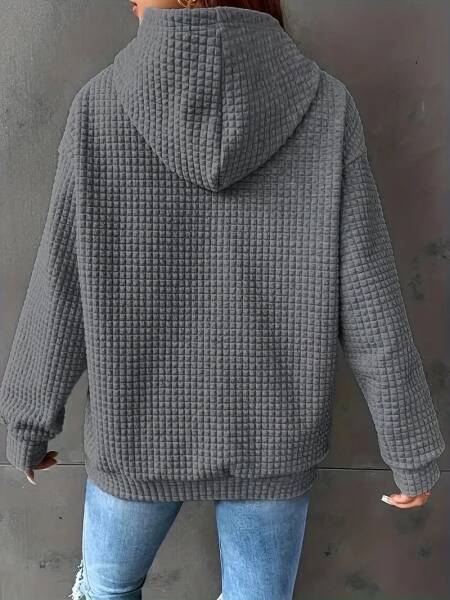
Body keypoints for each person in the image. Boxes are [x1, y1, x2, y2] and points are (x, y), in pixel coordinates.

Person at [0, 1, 445, 599]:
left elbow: (60, 286)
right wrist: (410, 446)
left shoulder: (99, 105)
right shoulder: (327, 107)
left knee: (105, 591)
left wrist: (28, 420)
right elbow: (370, 299)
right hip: (273, 439)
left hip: (136, 434)